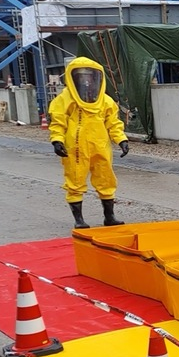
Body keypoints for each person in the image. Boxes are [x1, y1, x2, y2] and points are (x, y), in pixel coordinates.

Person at [48, 57, 129, 229]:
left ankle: (110, 216)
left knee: (106, 178)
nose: (86, 80)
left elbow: (113, 123)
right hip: (76, 146)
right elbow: (58, 121)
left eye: (89, 76)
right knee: (75, 179)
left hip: (100, 144)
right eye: (82, 76)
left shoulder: (105, 101)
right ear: (73, 78)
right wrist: (57, 140)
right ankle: (79, 220)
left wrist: (121, 139)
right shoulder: (65, 99)